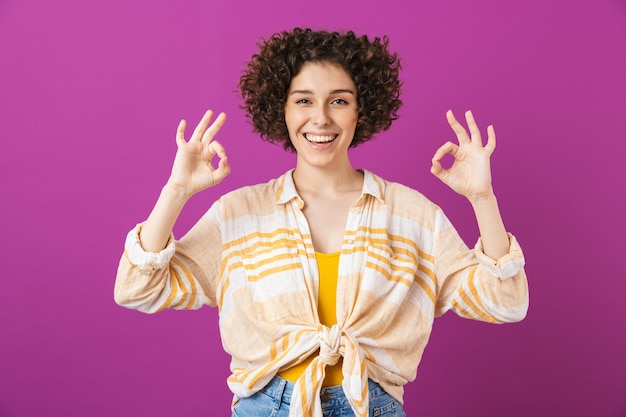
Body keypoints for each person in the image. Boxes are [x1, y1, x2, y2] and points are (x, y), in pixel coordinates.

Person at [114, 27, 528, 417]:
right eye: (304, 100)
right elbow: (137, 290)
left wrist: (482, 198)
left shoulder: (412, 214)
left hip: (373, 405)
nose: (321, 118)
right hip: (266, 406)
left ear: (361, 109)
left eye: (339, 100)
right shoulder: (239, 213)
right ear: (282, 107)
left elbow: (505, 303)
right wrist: (176, 191)